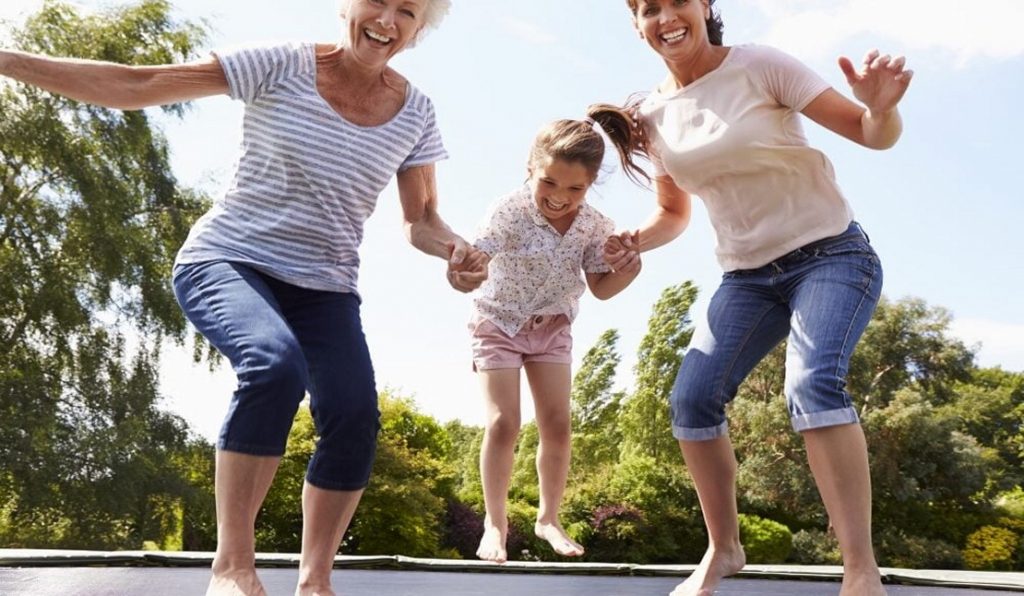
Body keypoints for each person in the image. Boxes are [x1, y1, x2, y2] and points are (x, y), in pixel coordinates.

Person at [0, 1, 488, 595]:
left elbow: (423, 220)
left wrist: (456, 253)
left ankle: (315, 583)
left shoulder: (416, 112)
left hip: (326, 286)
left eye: (407, 11)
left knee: (355, 414)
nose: (387, 18)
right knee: (273, 365)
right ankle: (232, 568)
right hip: (228, 260)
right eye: (376, 1)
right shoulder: (279, 64)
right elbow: (136, 84)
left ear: (418, 30)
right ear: (348, 7)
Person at [605, 1, 914, 595]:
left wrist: (883, 108)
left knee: (812, 382)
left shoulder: (761, 66)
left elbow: (872, 135)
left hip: (830, 255)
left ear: (703, 8)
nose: (664, 17)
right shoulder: (649, 114)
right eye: (647, 8)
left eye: (677, 2)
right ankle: (724, 549)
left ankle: (859, 568)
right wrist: (635, 241)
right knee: (692, 400)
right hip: (746, 279)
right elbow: (673, 212)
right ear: (635, 24)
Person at [469, 105, 645, 563]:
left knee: (558, 426)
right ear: (531, 169)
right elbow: (478, 259)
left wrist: (629, 270)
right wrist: (462, 272)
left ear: (590, 185)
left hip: (553, 327)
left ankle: (548, 518)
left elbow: (602, 288)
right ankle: (495, 523)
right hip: (499, 322)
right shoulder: (507, 211)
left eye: (575, 188)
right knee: (503, 423)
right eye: (548, 182)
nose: (559, 197)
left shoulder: (594, 225)